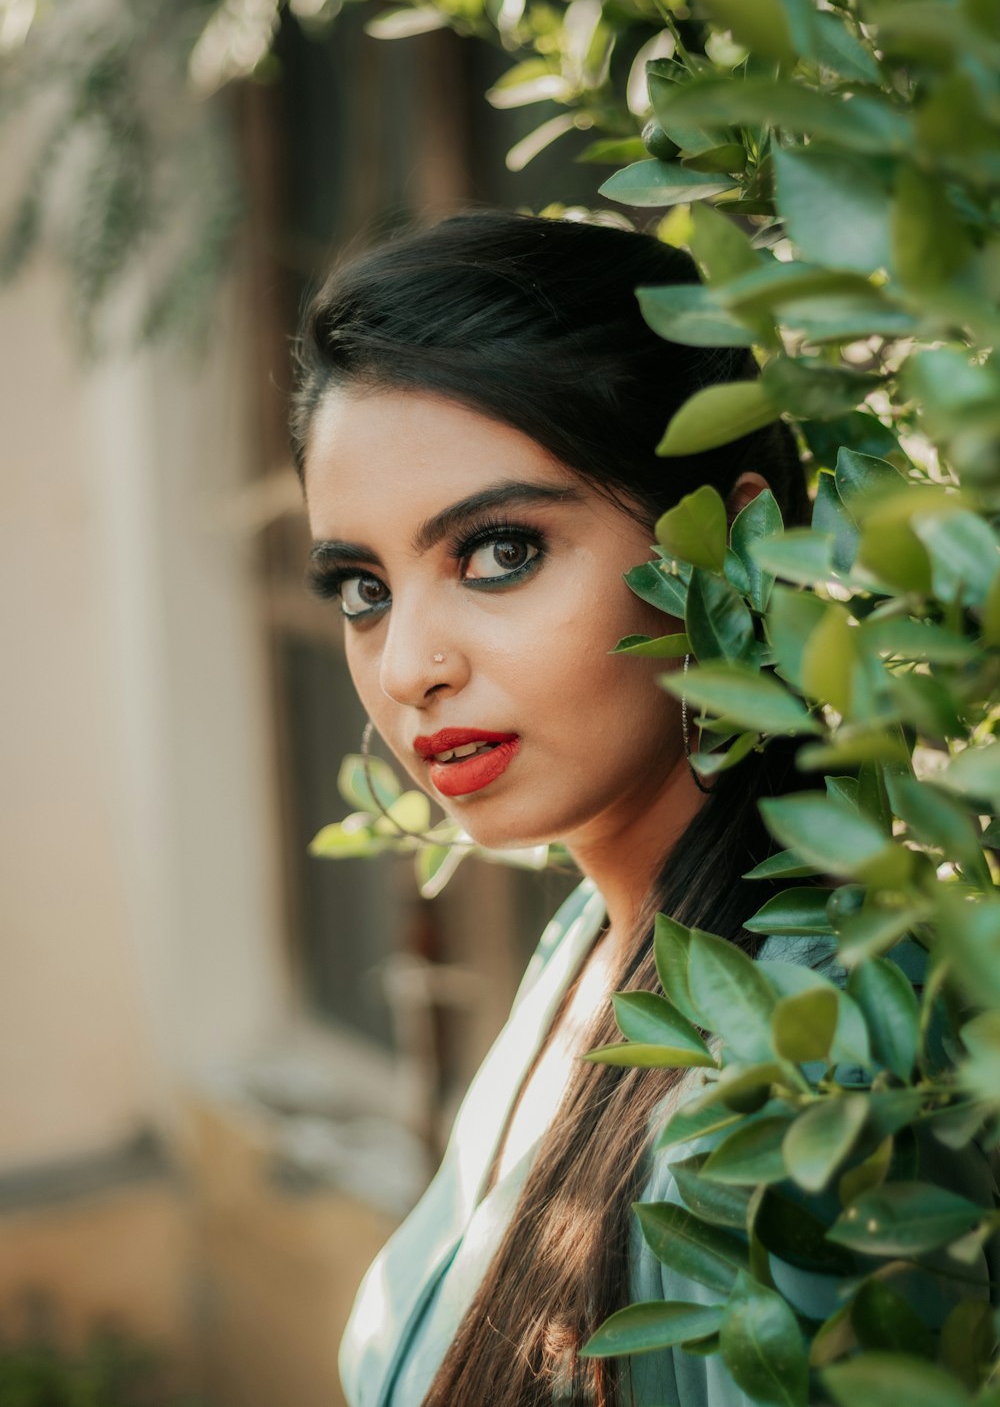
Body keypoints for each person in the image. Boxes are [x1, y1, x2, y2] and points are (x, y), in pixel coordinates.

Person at [287, 211, 991, 1407]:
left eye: (499, 551)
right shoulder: (591, 946)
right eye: (363, 587)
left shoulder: (811, 1088)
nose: (406, 665)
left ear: (728, 545)